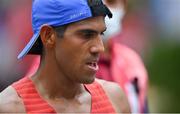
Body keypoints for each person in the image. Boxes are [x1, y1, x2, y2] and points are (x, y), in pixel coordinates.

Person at [0, 0, 131, 113]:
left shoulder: (115, 99)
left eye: (100, 34)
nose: (99, 48)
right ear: (48, 36)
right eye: (86, 35)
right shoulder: (10, 108)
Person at [96, 0, 149, 113]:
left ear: (124, 5)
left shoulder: (132, 62)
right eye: (96, 1)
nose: (104, 8)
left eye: (111, 1)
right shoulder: (72, 63)